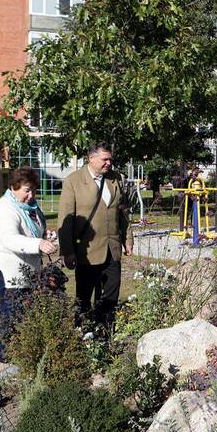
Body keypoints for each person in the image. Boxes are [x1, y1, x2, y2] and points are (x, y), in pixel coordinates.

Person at [58, 141, 133, 330]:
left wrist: (128, 238)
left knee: (110, 297)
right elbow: (65, 219)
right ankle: (83, 335)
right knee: (83, 299)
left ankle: (106, 335)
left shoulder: (115, 179)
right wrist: (67, 251)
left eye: (110, 159)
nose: (109, 163)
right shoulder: (73, 181)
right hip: (86, 251)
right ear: (91, 158)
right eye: (104, 159)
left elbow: (122, 212)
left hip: (112, 248)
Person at [0, 167, 57, 327]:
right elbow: (10, 239)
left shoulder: (30, 207)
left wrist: (45, 236)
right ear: (13, 186)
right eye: (27, 190)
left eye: (34, 190)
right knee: (11, 324)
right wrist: (38, 243)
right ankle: (2, 353)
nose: (31, 195)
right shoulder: (5, 209)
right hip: (11, 276)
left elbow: (33, 231)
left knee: (26, 323)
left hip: (30, 273)